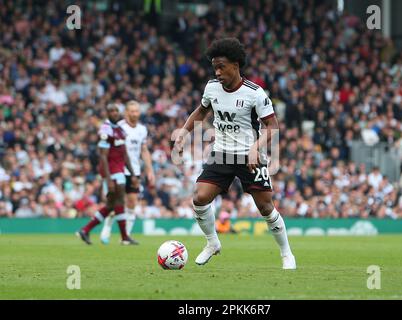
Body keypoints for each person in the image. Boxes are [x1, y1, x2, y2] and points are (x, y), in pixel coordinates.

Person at [174, 38, 296, 269]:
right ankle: (212, 243)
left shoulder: (255, 93)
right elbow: (200, 112)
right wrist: (183, 133)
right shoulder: (211, 88)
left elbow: (273, 127)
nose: (218, 72)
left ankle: (286, 253)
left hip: (249, 154)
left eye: (222, 67)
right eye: (214, 68)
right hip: (221, 152)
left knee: (265, 208)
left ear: (236, 65)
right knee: (199, 198)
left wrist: (255, 148)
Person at [76, 103, 139, 245]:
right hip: (113, 172)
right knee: (119, 202)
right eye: (111, 110)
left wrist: (133, 173)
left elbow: (125, 154)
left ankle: (85, 230)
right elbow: (103, 156)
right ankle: (124, 236)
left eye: (116, 110)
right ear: (107, 113)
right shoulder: (105, 129)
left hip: (121, 170)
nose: (115, 112)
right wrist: (108, 179)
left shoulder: (120, 129)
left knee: (111, 205)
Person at [99, 100, 155, 244]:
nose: (135, 114)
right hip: (118, 170)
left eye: (137, 111)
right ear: (126, 113)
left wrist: (149, 170)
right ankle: (106, 229)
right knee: (116, 204)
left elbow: (144, 150)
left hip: (134, 171)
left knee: (132, 203)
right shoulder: (118, 127)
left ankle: (126, 237)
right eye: (132, 111)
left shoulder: (142, 129)